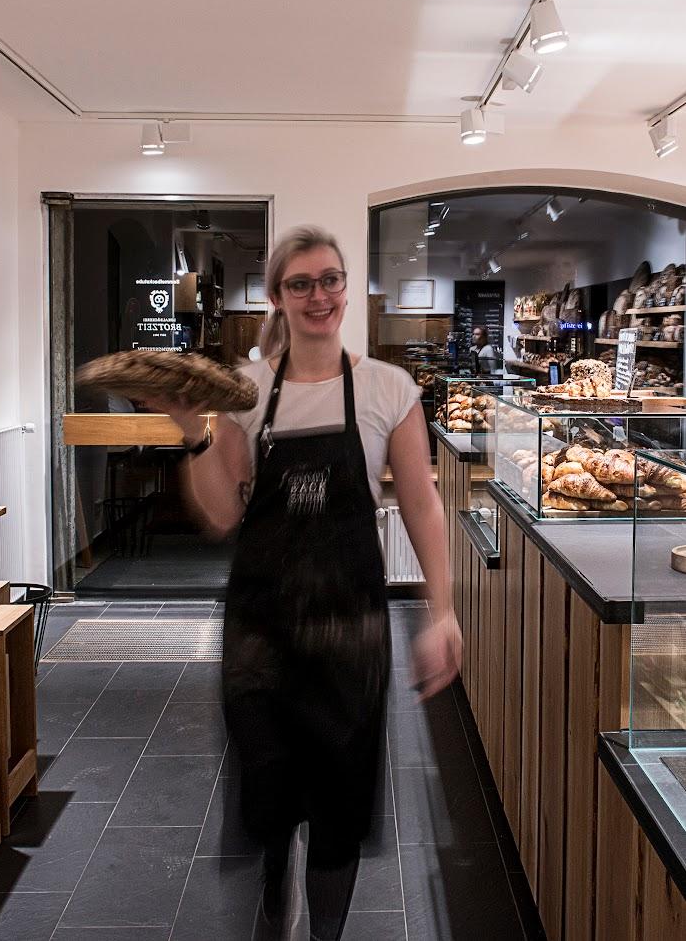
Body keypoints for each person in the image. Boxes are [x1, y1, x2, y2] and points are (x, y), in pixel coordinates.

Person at [150, 225, 460, 941]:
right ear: (279, 297)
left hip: (351, 636)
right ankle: (273, 893)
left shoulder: (388, 388)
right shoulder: (246, 390)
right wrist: (194, 433)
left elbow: (421, 502)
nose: (318, 295)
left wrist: (442, 612)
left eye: (329, 280)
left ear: (346, 290)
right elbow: (223, 514)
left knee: (341, 804)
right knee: (269, 792)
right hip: (262, 635)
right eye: (301, 284)